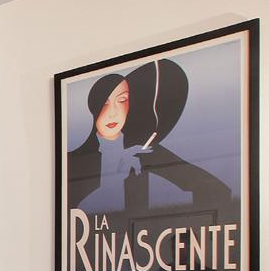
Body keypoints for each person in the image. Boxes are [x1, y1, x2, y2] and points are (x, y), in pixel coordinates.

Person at [67, 59, 232, 216]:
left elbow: (214, 189)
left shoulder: (143, 151)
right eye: (105, 104)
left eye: (122, 100)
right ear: (94, 107)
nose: (113, 113)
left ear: (130, 104)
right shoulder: (74, 162)